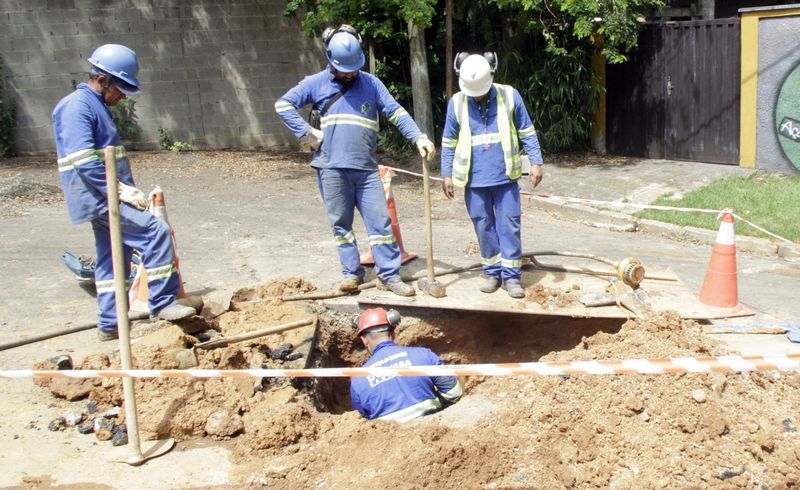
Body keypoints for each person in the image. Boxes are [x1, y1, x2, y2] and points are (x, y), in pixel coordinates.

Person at [274, 25, 436, 297]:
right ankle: (352, 274)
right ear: (330, 60)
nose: (350, 73)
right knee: (341, 225)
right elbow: (283, 105)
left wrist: (418, 137)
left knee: (381, 225)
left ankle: (389, 275)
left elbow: (395, 111)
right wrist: (305, 132)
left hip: (366, 169)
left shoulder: (371, 84)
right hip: (330, 168)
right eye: (345, 69)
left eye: (354, 68)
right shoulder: (315, 83)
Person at [52, 44, 196, 341]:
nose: (123, 95)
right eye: (121, 87)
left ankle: (110, 322)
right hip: (100, 197)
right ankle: (162, 303)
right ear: (102, 80)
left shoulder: (95, 106)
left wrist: (123, 189)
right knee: (155, 231)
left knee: (113, 258)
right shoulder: (77, 106)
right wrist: (118, 191)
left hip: (103, 196)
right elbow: (84, 160)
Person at [440, 52, 544, 299]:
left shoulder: (509, 95)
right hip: (473, 181)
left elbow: (526, 130)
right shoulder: (456, 103)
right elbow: (448, 141)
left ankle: (511, 278)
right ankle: (492, 272)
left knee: (509, 226)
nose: (477, 96)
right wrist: (446, 174)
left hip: (505, 178)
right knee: (483, 226)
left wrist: (536, 161)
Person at [350, 307, 463, 421]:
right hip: (431, 430)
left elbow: (361, 421)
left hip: (387, 436)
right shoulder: (424, 355)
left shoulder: (358, 379)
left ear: (364, 340)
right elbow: (454, 392)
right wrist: (436, 407)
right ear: (393, 332)